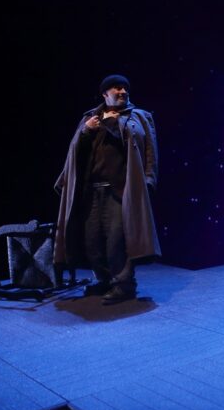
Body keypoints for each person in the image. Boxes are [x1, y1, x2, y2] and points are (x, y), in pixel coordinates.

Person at [54, 74, 160, 303]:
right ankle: (103, 280)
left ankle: (123, 285)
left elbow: (150, 151)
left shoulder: (139, 117)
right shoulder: (89, 118)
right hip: (91, 189)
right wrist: (86, 131)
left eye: (125, 88)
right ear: (105, 94)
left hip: (121, 189)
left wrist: (149, 179)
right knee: (92, 240)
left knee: (116, 240)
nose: (123, 92)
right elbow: (74, 151)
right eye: (117, 88)